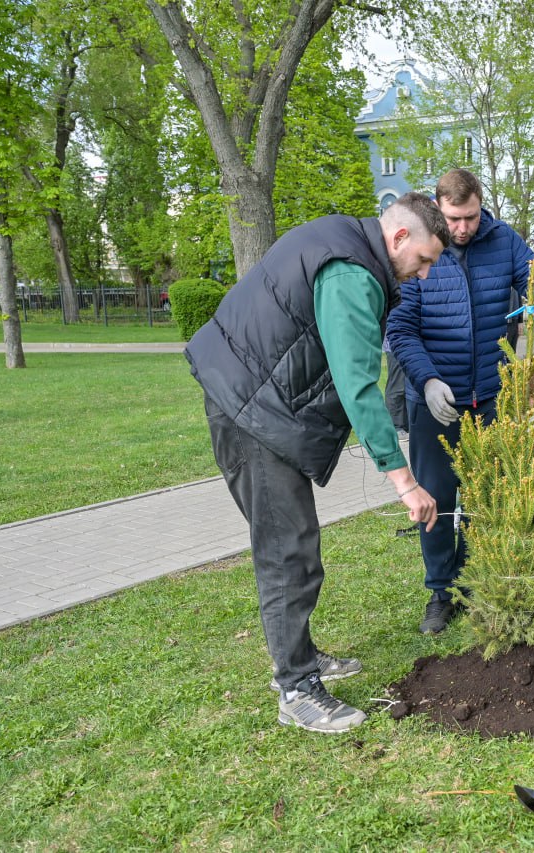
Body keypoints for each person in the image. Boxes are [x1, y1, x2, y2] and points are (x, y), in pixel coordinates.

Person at [186, 194, 447, 733]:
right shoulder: (353, 273)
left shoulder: (344, 238)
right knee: (289, 551)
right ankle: (296, 688)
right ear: (399, 238)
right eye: (423, 261)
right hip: (251, 413)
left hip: (252, 400)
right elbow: (357, 383)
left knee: (293, 545)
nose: (422, 276)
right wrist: (404, 481)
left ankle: (298, 656)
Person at [387, 168, 534, 634]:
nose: (461, 228)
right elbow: (400, 329)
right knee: (438, 499)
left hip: (490, 395)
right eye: (453, 219)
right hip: (435, 400)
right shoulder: (421, 248)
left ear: (480, 205)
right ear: (438, 209)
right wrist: (426, 380)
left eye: (468, 217)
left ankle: (481, 580)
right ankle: (441, 592)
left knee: (489, 494)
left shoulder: (504, 240)